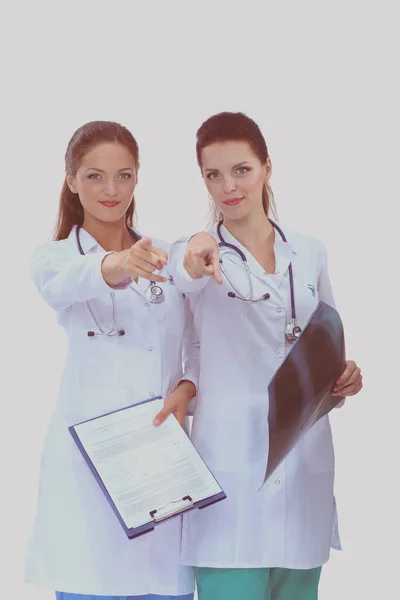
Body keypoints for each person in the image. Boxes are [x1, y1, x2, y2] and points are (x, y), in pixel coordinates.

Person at [160, 112, 363, 600]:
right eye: (213, 174)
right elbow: (187, 265)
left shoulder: (310, 253)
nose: (228, 185)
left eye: (241, 170)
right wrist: (198, 249)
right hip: (232, 468)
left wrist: (346, 377)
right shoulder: (196, 254)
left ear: (267, 168)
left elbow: (326, 341)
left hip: (304, 463)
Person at [25, 121, 198, 600]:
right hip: (90, 470)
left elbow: (200, 345)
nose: (111, 189)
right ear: (71, 180)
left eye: (124, 175)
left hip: (164, 461)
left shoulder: (166, 255)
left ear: (137, 179)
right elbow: (66, 284)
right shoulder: (54, 258)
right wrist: (116, 265)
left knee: (165, 586)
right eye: (95, 176)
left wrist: (189, 387)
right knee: (92, 584)